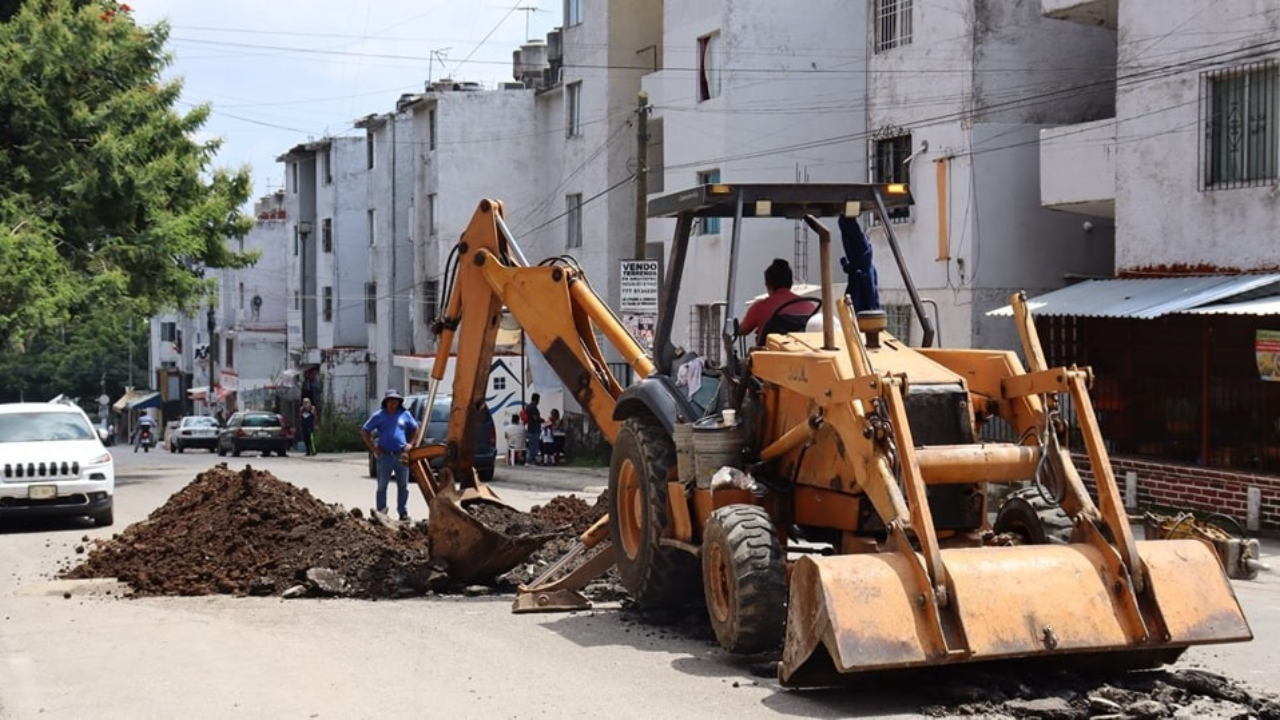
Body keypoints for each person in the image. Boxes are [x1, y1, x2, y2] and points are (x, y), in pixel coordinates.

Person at [360, 389, 420, 522]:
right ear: (386, 402)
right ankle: (381, 511)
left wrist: (411, 445)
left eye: (396, 401)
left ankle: (403, 512)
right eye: (391, 401)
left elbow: (416, 429)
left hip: (401, 455)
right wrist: (374, 448)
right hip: (385, 456)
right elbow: (365, 431)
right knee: (382, 486)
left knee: (403, 486)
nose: (393, 403)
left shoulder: (405, 414)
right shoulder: (378, 416)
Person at [737, 258, 819, 346]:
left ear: (768, 285)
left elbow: (742, 330)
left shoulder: (759, 307)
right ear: (791, 283)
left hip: (768, 354)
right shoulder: (809, 307)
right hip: (802, 353)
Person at [839, 215, 880, 312]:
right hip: (861, 304)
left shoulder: (864, 268)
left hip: (864, 308)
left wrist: (847, 266)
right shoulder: (864, 267)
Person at [524, 393, 543, 465]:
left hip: (532, 428)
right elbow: (535, 417)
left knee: (532, 444)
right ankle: (530, 460)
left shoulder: (529, 406)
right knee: (533, 445)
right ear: (536, 400)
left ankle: (531, 459)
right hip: (534, 429)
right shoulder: (532, 407)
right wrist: (541, 420)